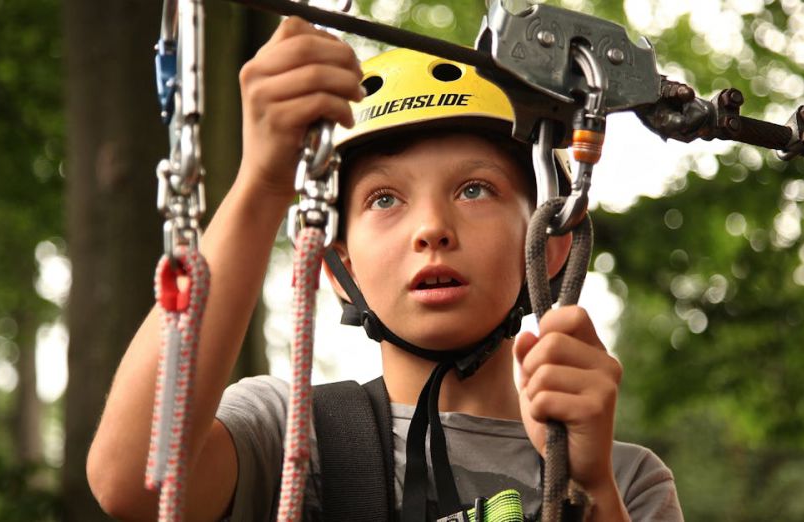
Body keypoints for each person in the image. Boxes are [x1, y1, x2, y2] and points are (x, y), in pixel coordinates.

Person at [87, 17, 683, 522]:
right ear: (338, 266)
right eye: (384, 199)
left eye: (475, 189)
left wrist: (590, 492)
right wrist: (262, 183)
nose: (432, 228)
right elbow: (134, 481)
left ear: (548, 246)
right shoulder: (292, 437)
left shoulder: (628, 480)